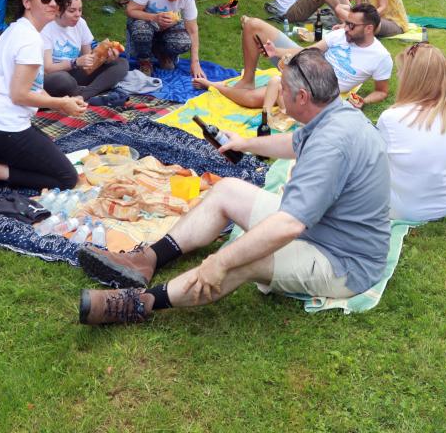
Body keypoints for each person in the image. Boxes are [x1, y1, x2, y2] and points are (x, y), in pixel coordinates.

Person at [78, 48, 391, 325]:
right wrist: (245, 143)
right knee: (227, 189)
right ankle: (146, 260)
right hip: (325, 230)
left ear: (302, 97)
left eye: (283, 90)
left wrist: (220, 261)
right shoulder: (334, 114)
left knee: (243, 259)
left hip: (343, 262)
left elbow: (289, 225)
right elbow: (294, 142)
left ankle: (141, 303)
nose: (279, 96)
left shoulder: (330, 145)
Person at [0, 0, 85, 192]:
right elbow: (19, 94)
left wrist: (63, 101)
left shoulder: (16, 29)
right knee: (67, 178)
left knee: (49, 154)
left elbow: (33, 86)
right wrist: (61, 104)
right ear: (27, 2)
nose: (53, 4)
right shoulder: (29, 39)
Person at [194, 4, 392, 109]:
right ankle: (247, 80)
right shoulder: (342, 34)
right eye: (346, 23)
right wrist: (277, 52)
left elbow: (382, 92)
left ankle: (213, 86)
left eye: (351, 25)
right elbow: (310, 50)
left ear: (368, 29)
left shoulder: (380, 57)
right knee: (253, 24)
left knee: (256, 100)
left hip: (318, 87)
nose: (345, 28)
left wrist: (364, 100)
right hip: (307, 62)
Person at [377, 44, 446, 222]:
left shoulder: (391, 118)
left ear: (412, 79)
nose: (398, 75)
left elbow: (374, 166)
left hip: (404, 210)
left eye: (401, 71)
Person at [42, 0, 128, 102]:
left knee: (121, 63)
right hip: (54, 75)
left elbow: (89, 61)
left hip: (75, 72)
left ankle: (83, 95)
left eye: (80, 10)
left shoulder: (80, 23)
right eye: (72, 11)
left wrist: (104, 57)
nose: (77, 15)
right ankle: (92, 90)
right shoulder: (46, 28)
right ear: (58, 11)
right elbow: (47, 69)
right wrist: (75, 62)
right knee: (63, 80)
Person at [126, 0, 206, 78]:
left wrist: (195, 63)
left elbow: (192, 30)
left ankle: (161, 53)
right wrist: (154, 17)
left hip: (168, 28)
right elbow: (130, 10)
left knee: (183, 42)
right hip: (146, 23)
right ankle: (144, 61)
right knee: (141, 30)